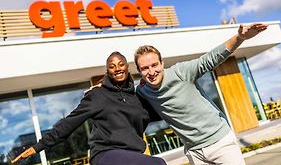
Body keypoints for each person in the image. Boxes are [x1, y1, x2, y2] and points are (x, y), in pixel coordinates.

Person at [134, 23, 268, 165]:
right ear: (139, 71)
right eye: (145, 68)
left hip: (220, 142)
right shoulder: (143, 91)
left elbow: (210, 59)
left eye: (154, 65)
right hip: (194, 152)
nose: (151, 72)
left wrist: (240, 38)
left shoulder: (180, 72)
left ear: (162, 63)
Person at [12, 52, 167, 165]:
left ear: (127, 67)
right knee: (157, 164)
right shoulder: (97, 95)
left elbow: (160, 113)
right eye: (112, 66)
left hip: (133, 155)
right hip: (105, 154)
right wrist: (38, 146)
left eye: (121, 64)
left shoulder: (136, 99)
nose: (117, 68)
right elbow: (69, 123)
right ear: (108, 71)